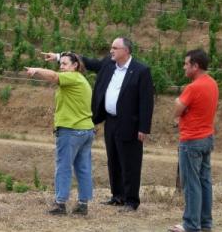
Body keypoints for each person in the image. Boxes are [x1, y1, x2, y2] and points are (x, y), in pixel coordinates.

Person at [43, 37, 154, 211]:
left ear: (126, 51)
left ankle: (131, 201)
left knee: (130, 161)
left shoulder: (140, 71)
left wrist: (143, 128)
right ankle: (117, 196)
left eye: (115, 48)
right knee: (113, 159)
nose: (111, 51)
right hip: (110, 119)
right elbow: (86, 61)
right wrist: (58, 56)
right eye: (111, 47)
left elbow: (146, 101)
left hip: (130, 123)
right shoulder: (109, 65)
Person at [25, 52, 95, 216]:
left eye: (64, 64)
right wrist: (58, 57)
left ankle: (60, 203)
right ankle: (83, 204)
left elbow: (54, 76)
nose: (61, 67)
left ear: (75, 66)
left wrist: (36, 69)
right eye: (60, 64)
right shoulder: (82, 80)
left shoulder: (72, 78)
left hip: (71, 130)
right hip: (86, 130)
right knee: (83, 168)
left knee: (63, 167)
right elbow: (64, 65)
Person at [168, 49, 219, 232]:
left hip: (191, 140)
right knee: (205, 182)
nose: (184, 67)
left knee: (191, 184)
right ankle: (205, 223)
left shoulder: (193, 87)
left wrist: (176, 116)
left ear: (195, 66)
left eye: (186, 64)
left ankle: (190, 225)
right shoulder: (212, 83)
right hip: (207, 137)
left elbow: (178, 106)